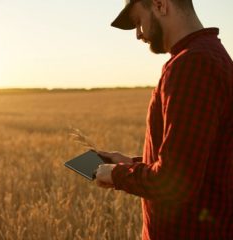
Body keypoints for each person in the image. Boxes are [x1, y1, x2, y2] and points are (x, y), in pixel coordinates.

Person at [95, 0, 233, 239]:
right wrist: (130, 163)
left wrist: (116, 175)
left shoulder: (192, 64)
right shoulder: (208, 54)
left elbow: (175, 181)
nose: (138, 34)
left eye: (138, 22)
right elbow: (196, 160)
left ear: (160, 5)